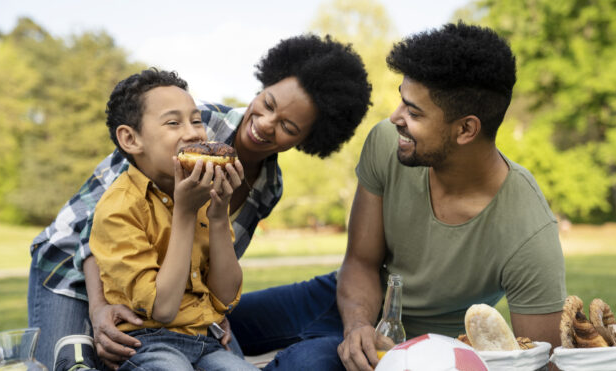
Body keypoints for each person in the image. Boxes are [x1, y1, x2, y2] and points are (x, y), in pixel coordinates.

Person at [27, 34, 372, 369]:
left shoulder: (269, 185)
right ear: (263, 87)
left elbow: (210, 258)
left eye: (288, 127)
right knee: (68, 363)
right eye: (267, 103)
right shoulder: (194, 126)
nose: (265, 124)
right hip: (70, 263)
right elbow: (94, 224)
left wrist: (213, 311)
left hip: (164, 295)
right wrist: (100, 307)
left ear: (307, 140)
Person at [335, 22, 566, 370]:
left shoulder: (528, 230)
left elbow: (542, 361)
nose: (394, 117)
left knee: (305, 360)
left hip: (437, 349)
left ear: (466, 129)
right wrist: (357, 326)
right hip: (353, 305)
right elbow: (360, 262)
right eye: (402, 100)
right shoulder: (386, 141)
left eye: (414, 113)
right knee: (236, 321)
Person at [57, 67, 260, 370]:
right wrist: (185, 212)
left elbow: (226, 297)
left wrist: (218, 215)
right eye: (173, 123)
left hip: (205, 339)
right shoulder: (118, 208)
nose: (193, 133)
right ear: (130, 139)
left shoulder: (202, 192)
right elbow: (163, 309)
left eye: (196, 120)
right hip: (147, 342)